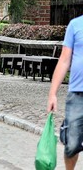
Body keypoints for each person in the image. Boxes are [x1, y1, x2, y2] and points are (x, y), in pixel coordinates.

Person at [48, 13, 83, 169]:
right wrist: (52, 94)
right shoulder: (75, 25)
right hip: (77, 93)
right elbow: (64, 60)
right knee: (72, 144)